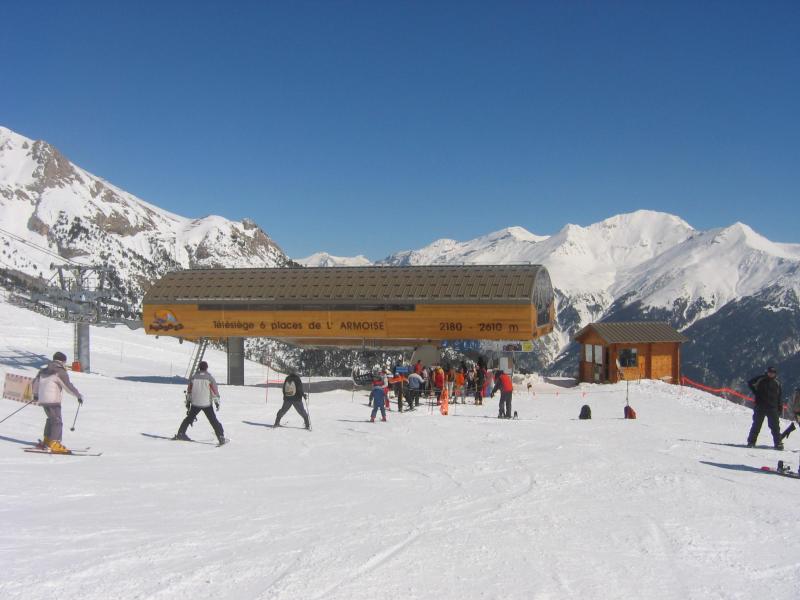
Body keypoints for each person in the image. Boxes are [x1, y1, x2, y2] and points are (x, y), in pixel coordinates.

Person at [31, 351, 84, 453]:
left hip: (43, 399)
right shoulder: (60, 371)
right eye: (64, 362)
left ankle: (47, 440)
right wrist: (78, 395)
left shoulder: (44, 370)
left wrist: (36, 395)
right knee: (57, 421)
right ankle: (54, 443)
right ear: (62, 361)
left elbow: (35, 382)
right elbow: (68, 386)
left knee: (51, 419)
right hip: (53, 400)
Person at [175, 361, 226, 444]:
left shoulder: (193, 378)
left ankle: (181, 433)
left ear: (199, 367)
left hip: (195, 403)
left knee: (188, 419)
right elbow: (214, 392)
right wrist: (217, 402)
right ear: (206, 368)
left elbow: (189, 391)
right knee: (213, 420)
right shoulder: (210, 378)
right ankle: (220, 436)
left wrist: (188, 402)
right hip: (207, 404)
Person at [746, 366, 783, 450]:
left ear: (775, 374)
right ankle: (751, 442)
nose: (771, 374)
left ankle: (778, 443)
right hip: (760, 406)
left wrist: (780, 407)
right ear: (767, 372)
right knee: (756, 425)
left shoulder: (777, 383)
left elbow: (779, 396)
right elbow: (750, 383)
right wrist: (756, 392)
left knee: (775, 427)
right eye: (770, 372)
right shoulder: (761, 380)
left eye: (773, 373)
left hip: (772, 407)